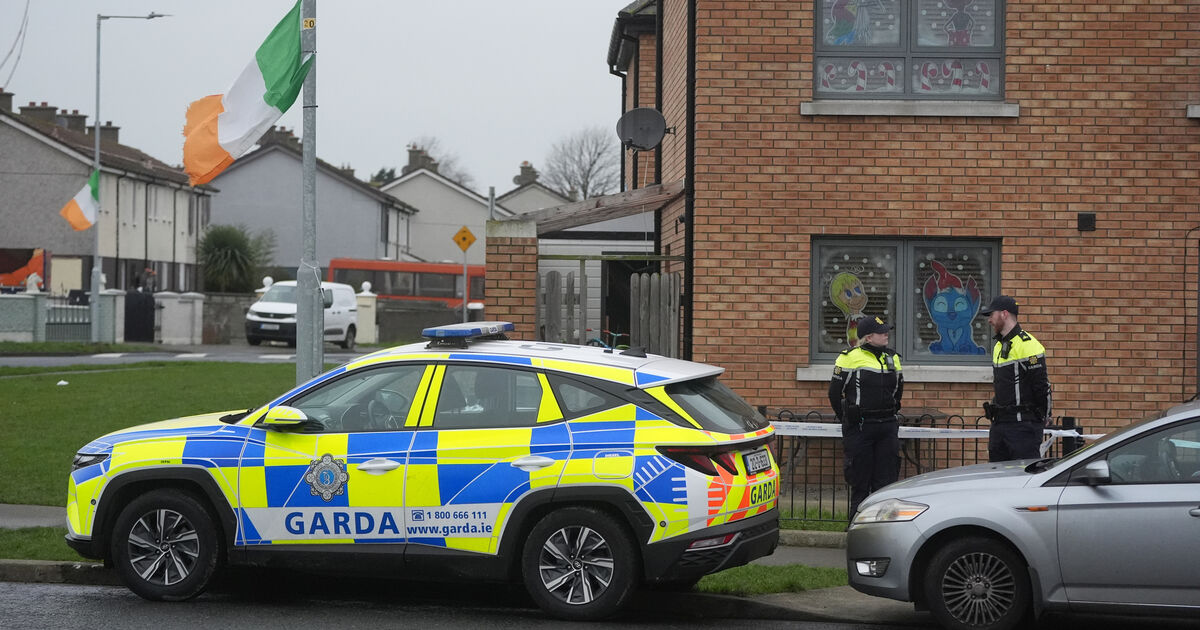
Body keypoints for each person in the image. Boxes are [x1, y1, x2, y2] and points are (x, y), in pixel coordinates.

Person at [830, 316, 903, 518]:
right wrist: (847, 418)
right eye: (881, 332)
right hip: (861, 428)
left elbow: (898, 391)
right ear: (868, 337)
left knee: (886, 483)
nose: (886, 334)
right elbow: (834, 394)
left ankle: (884, 526)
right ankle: (856, 524)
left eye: (887, 331)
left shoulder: (893, 357)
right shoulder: (849, 357)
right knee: (860, 481)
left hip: (887, 427)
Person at [980, 295, 1051, 462]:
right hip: (1000, 426)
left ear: (1004, 314)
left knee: (1023, 474)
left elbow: (1041, 386)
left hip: (1023, 428)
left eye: (992, 314)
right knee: (996, 473)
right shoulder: (998, 346)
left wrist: (1046, 414)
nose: (989, 320)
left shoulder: (1028, 344)